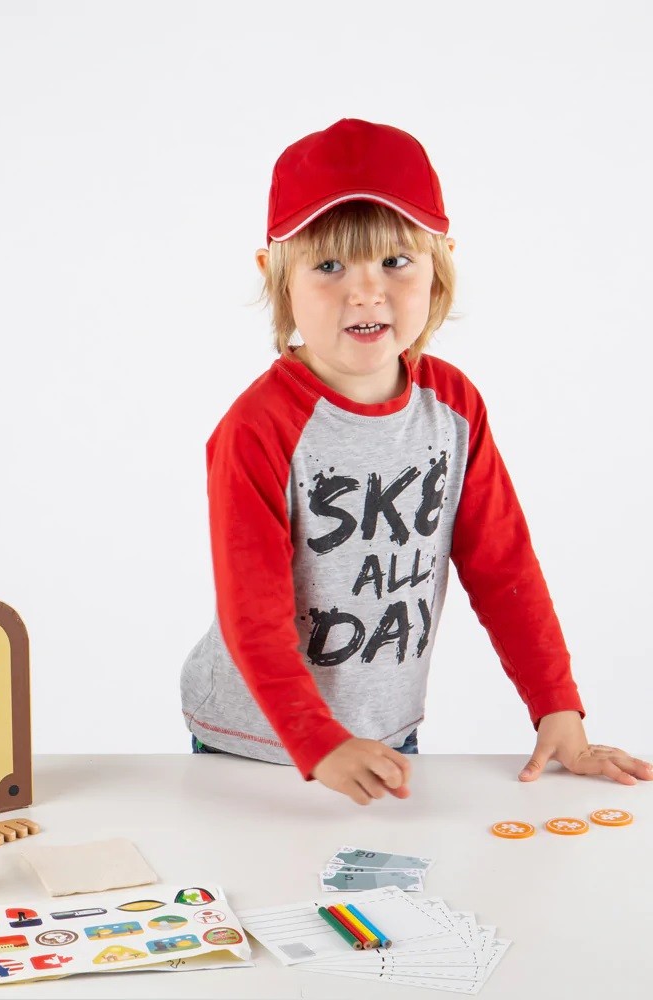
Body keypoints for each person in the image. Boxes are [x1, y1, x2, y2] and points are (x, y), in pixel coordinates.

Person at [180, 118, 652, 806]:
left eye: (396, 261)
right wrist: (317, 742)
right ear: (275, 275)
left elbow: (503, 565)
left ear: (440, 263)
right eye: (329, 266)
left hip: (382, 733)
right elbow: (252, 612)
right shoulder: (259, 428)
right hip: (256, 742)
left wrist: (557, 706)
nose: (365, 291)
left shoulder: (452, 407)